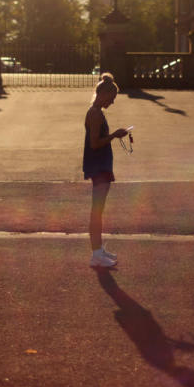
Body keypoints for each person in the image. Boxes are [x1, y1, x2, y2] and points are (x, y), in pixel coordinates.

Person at [83, 72, 130, 268]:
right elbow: (94, 144)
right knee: (97, 211)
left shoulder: (97, 112)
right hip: (98, 165)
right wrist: (114, 135)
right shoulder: (94, 113)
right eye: (111, 98)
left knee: (99, 210)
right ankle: (96, 254)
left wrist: (113, 135)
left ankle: (99, 250)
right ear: (103, 95)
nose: (112, 102)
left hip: (100, 164)